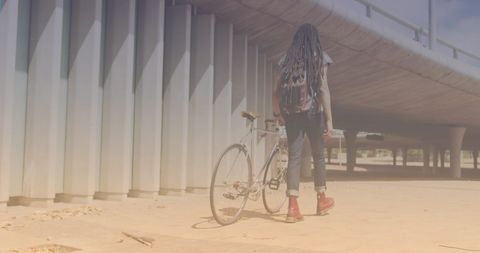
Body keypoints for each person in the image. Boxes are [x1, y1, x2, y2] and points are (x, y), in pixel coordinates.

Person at [273, 23, 335, 223]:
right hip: (312, 112)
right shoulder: (319, 57)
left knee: (294, 157)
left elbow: (275, 91)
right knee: (318, 156)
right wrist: (329, 120)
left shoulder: (286, 60)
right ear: (314, 38)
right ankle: (321, 200)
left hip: (291, 113)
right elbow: (324, 89)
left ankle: (292, 206)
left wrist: (278, 113)